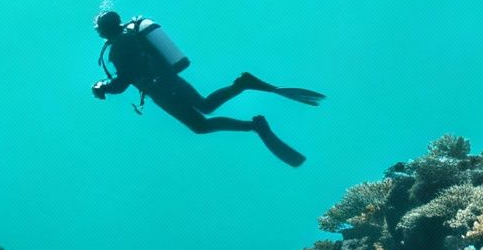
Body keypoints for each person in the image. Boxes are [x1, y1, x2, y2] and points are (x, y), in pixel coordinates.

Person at [90, 10, 323, 166]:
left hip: (161, 90)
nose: (97, 32)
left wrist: (102, 86)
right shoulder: (130, 34)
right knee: (205, 107)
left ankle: (252, 120)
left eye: (98, 29)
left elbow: (122, 82)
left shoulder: (119, 47)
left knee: (200, 124)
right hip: (170, 81)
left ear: (106, 29)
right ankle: (244, 88)